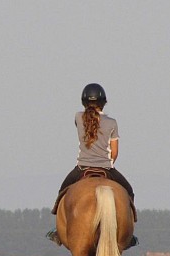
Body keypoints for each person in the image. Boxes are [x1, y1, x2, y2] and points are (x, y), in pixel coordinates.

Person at [47, 83, 137, 247]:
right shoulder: (112, 123)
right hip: (107, 169)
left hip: (81, 168)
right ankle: (129, 235)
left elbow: (88, 124)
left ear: (83, 102)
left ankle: (58, 231)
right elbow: (114, 152)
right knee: (129, 193)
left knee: (61, 195)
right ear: (104, 102)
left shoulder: (77, 117)